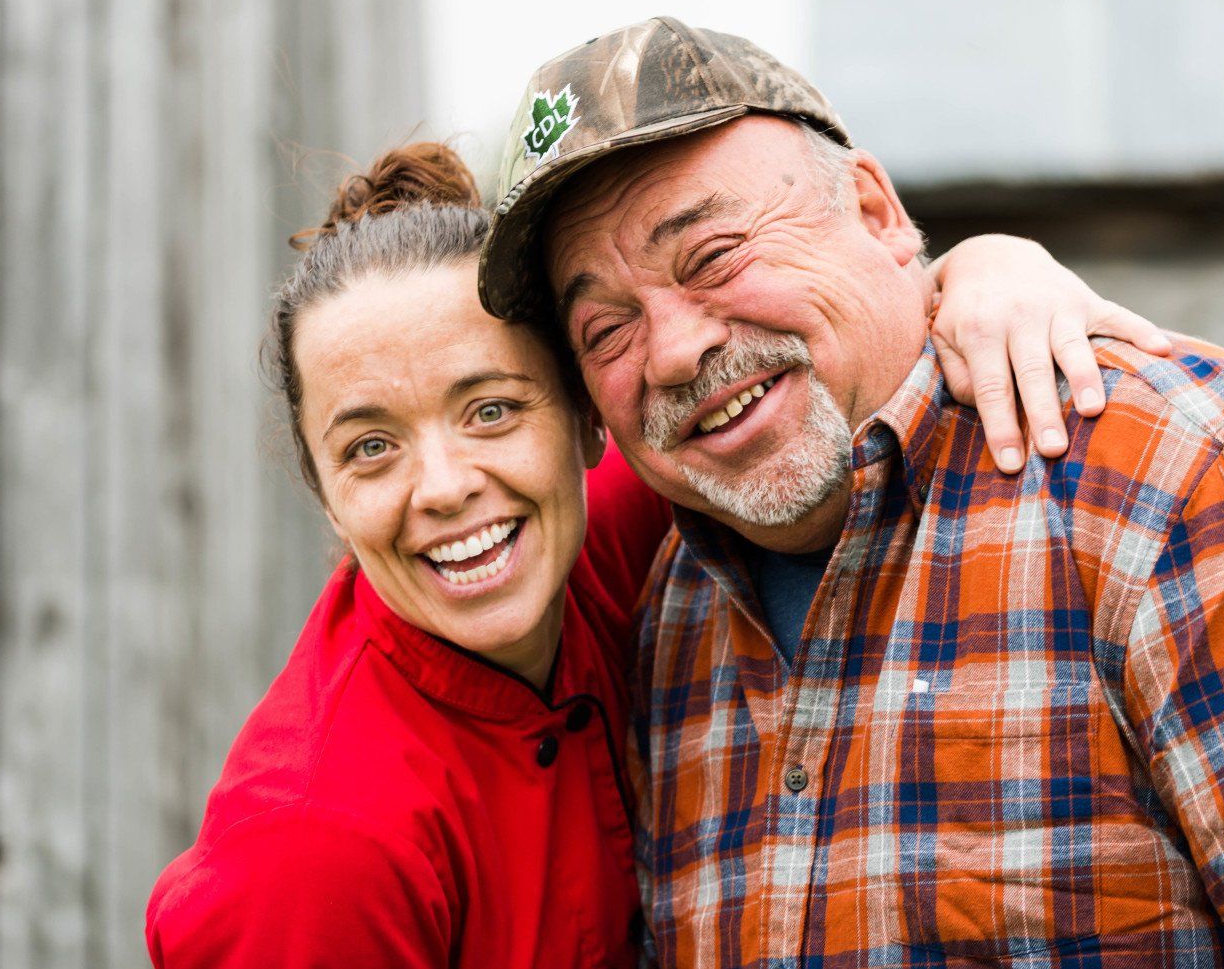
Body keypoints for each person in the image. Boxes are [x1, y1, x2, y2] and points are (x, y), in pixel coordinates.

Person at [483, 17, 1224, 967]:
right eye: (605, 332)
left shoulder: (1174, 472)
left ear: (875, 212)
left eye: (713, 256)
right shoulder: (669, 617)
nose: (676, 349)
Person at [144, 141, 1171, 968]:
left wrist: (985, 269)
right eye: (370, 447)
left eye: (493, 410)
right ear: (326, 497)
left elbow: (802, 356)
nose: (445, 484)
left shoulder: (600, 540)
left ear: (589, 427)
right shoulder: (317, 850)